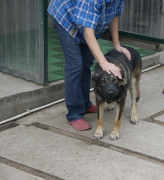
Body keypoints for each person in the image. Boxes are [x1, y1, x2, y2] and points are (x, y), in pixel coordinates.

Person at [48, 0, 131, 130]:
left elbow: (114, 14)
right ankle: (75, 114)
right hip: (66, 17)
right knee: (75, 65)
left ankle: (85, 103)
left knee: (86, 61)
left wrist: (116, 44)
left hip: (87, 22)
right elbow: (88, 34)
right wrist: (103, 63)